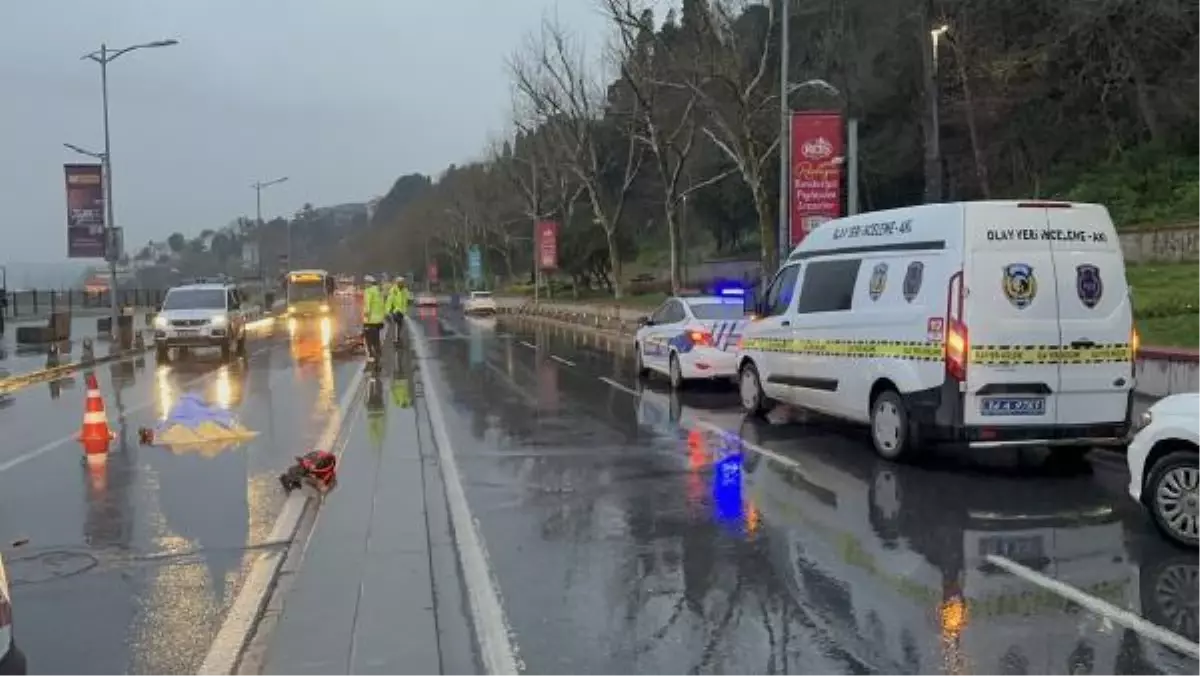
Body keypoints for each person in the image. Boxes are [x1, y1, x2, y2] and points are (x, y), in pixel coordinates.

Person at [361, 275, 386, 366]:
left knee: (368, 340)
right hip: (378, 321)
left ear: (369, 283)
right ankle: (379, 354)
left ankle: (371, 356)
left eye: (366, 282)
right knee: (376, 339)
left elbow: (367, 305)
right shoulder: (378, 291)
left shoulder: (369, 291)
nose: (365, 284)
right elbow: (382, 305)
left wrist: (366, 319)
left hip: (370, 320)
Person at [384, 275, 411, 345]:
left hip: (402, 311)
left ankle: (397, 338)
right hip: (395, 310)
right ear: (397, 282)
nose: (401, 284)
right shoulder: (393, 290)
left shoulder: (405, 290)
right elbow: (389, 300)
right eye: (399, 282)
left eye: (402, 282)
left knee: (400, 325)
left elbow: (408, 298)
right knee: (397, 324)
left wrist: (410, 300)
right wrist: (387, 311)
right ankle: (396, 339)